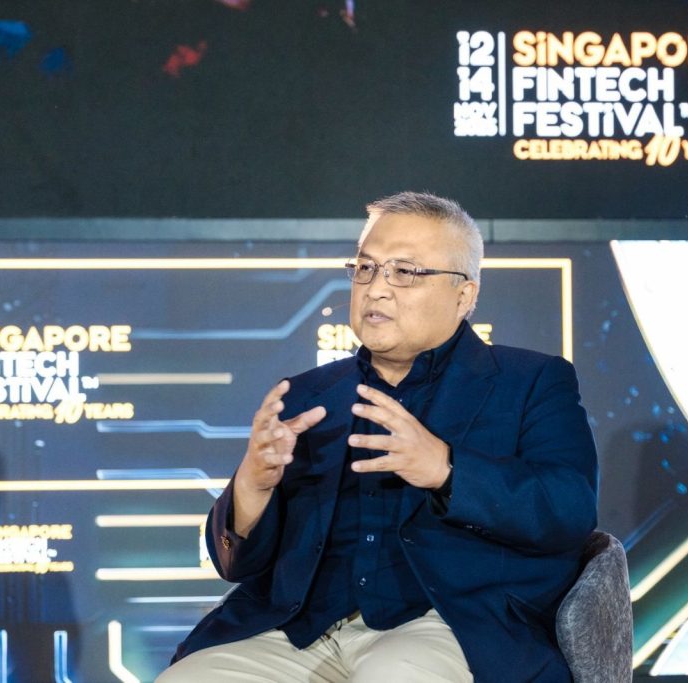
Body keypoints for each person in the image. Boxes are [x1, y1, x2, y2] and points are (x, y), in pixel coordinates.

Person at [159, 191, 599, 682]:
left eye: (404, 272)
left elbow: (569, 511)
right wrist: (252, 485)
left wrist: (446, 470)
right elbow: (236, 565)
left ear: (464, 295)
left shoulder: (530, 382)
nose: (376, 289)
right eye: (366, 268)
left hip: (448, 624)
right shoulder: (307, 396)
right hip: (299, 627)